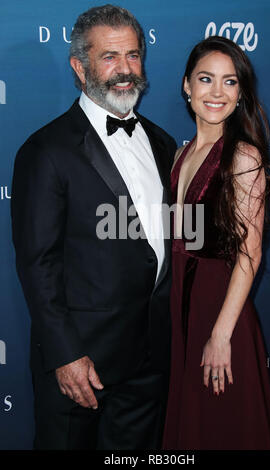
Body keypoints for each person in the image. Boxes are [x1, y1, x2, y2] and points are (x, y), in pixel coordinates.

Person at [11, 5, 176, 450]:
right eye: (109, 57)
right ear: (79, 67)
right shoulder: (45, 150)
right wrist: (65, 354)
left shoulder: (161, 143)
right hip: (82, 364)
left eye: (134, 55)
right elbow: (37, 264)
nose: (125, 70)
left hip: (149, 361)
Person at [162, 36, 270, 450]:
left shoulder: (242, 156)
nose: (216, 93)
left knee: (223, 424)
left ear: (240, 92)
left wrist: (221, 334)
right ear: (186, 86)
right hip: (183, 305)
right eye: (206, 79)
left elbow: (251, 252)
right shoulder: (182, 154)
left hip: (219, 308)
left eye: (229, 82)